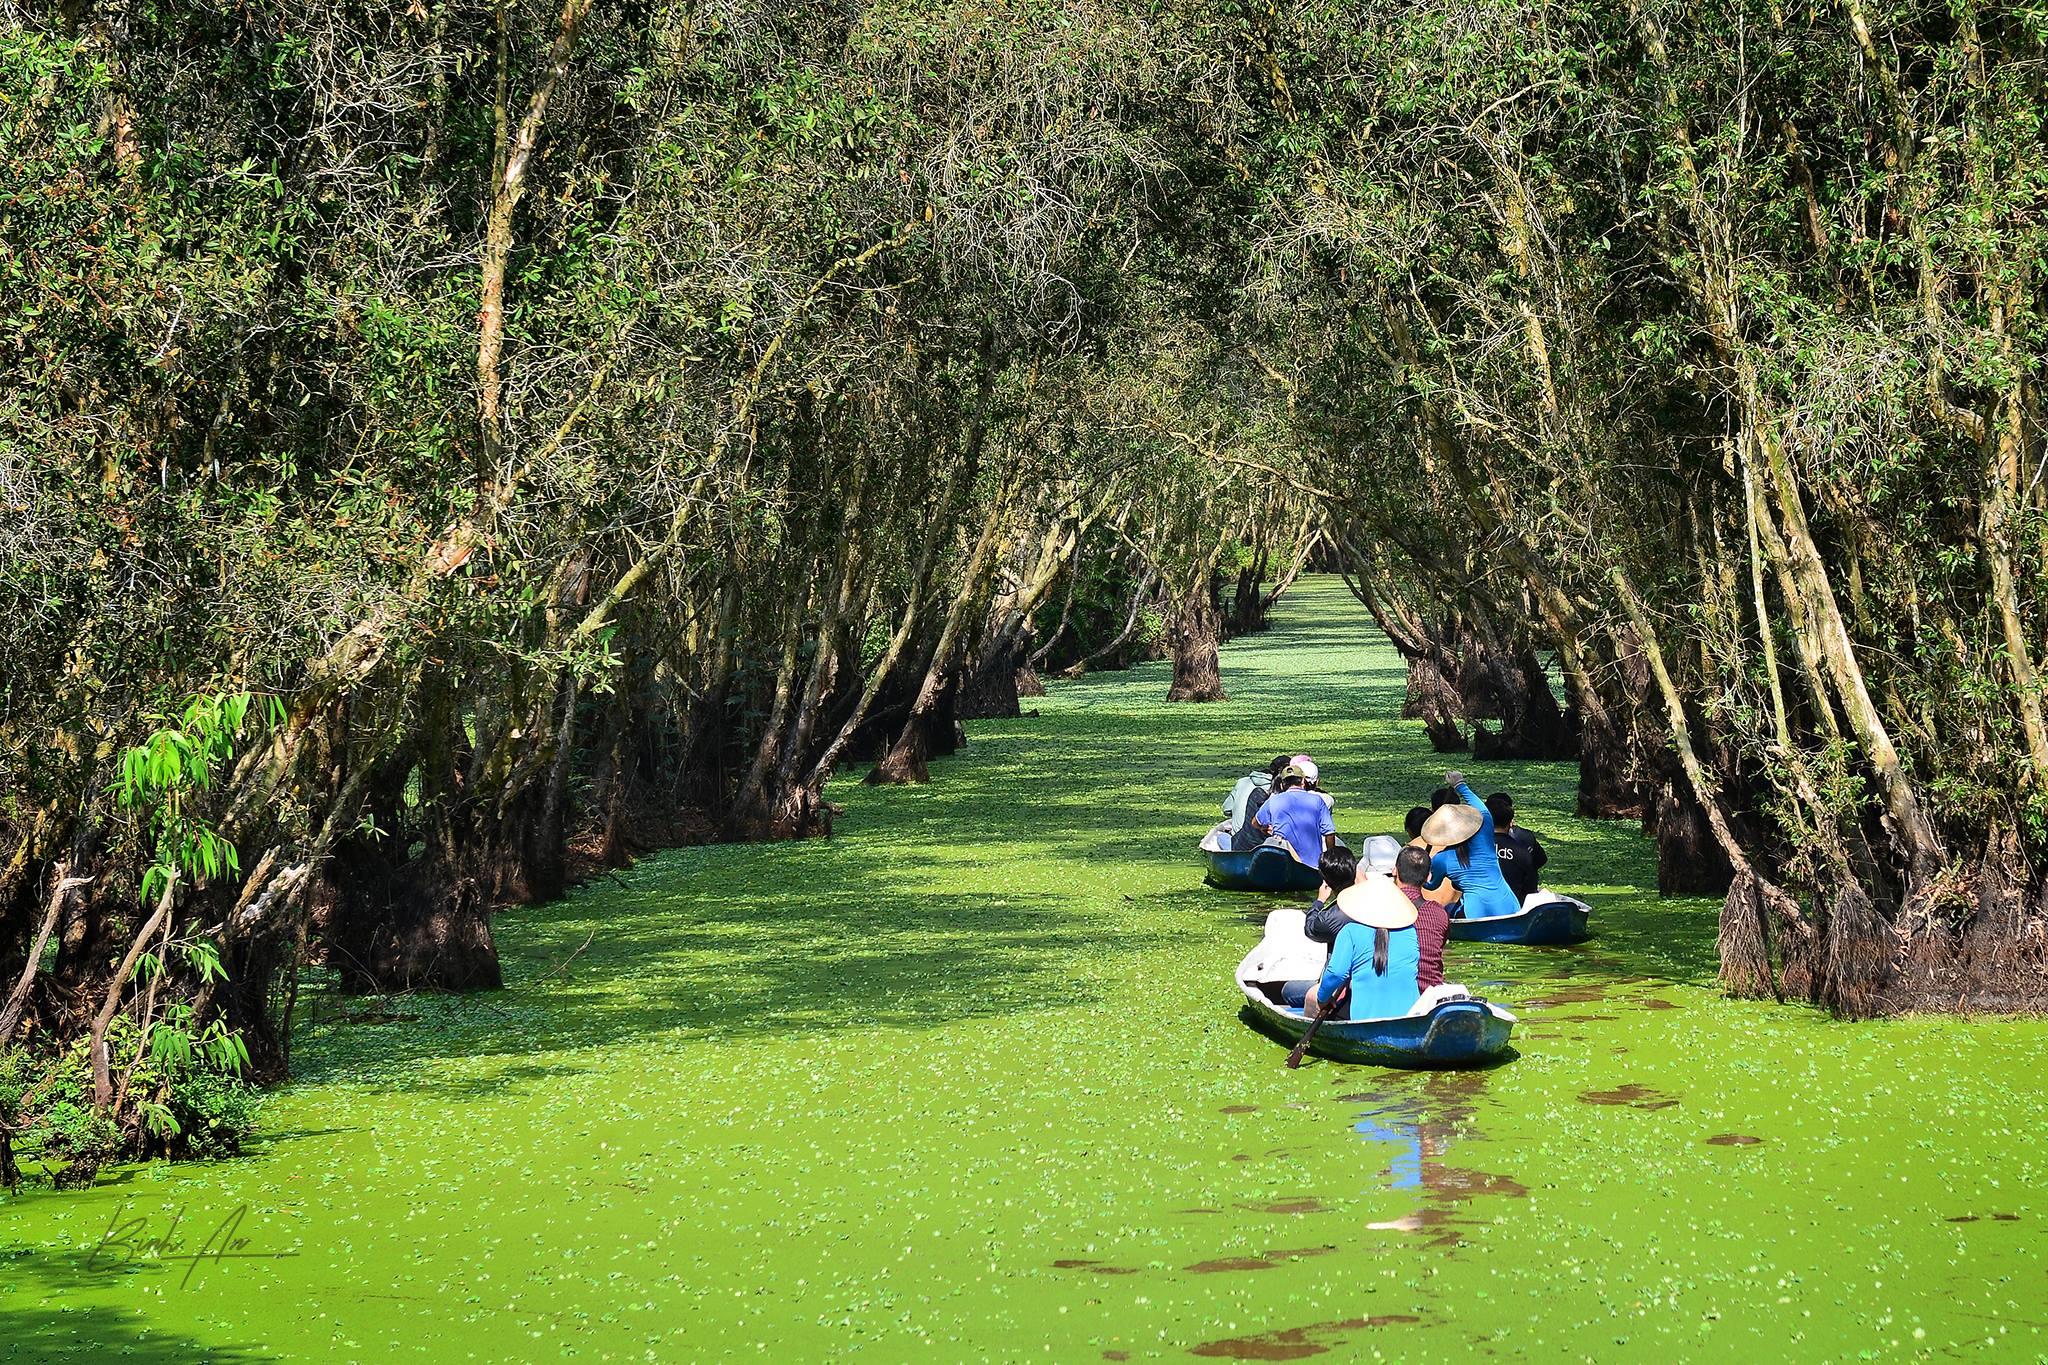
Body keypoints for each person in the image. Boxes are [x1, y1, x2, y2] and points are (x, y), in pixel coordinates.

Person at [1303, 877, 1421, 1021]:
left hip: (1364, 1018)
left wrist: (1322, 999)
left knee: (1312, 997)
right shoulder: (1411, 932)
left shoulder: (1350, 931)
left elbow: (1336, 973)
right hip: (1409, 1018)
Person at [1419, 771, 1521, 920]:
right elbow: (1484, 812)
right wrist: (1459, 784)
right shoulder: (1484, 838)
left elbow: (1431, 886)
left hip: (1475, 914)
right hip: (1509, 906)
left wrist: (1421, 876)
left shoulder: (1441, 859)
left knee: (1448, 908)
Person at [1252, 763, 1337, 865]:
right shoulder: (1317, 800)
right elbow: (1329, 832)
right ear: (1302, 781)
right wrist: (1330, 856)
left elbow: (1255, 823)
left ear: (1282, 785)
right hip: (1312, 866)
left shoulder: (1273, 800)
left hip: (1283, 865)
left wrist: (1264, 829)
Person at [1395, 845, 1448, 990]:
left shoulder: (1383, 909)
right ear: (1428, 877)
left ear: (1394, 871)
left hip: (1397, 993)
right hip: (1430, 995)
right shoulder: (1439, 913)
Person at [1486, 792, 1548, 904]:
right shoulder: (1523, 850)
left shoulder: (1473, 848)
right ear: (1510, 821)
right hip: (1514, 905)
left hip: (1482, 906)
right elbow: (1531, 885)